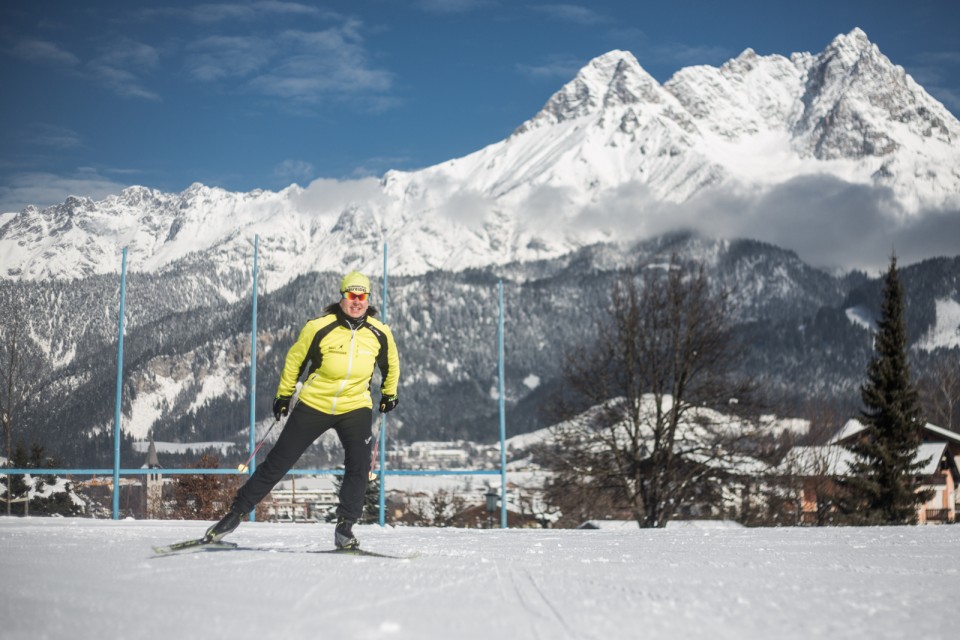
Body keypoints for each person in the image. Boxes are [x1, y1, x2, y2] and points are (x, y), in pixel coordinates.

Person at [204, 271, 400, 550]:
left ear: (368, 300)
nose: (357, 302)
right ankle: (232, 517)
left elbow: (391, 364)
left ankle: (345, 528)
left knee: (358, 466)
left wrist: (390, 393)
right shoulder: (318, 327)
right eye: (351, 295)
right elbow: (294, 361)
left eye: (362, 296)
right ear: (342, 297)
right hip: (315, 404)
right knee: (279, 461)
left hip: (355, 406)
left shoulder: (380, 333)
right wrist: (284, 395)